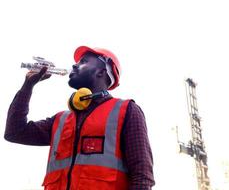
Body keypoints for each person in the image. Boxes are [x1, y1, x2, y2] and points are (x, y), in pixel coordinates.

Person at [4, 46, 155, 190]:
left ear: (101, 72)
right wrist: (27, 86)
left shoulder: (126, 111)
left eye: (83, 62)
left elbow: (142, 176)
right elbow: (14, 132)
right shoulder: (60, 120)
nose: (74, 66)